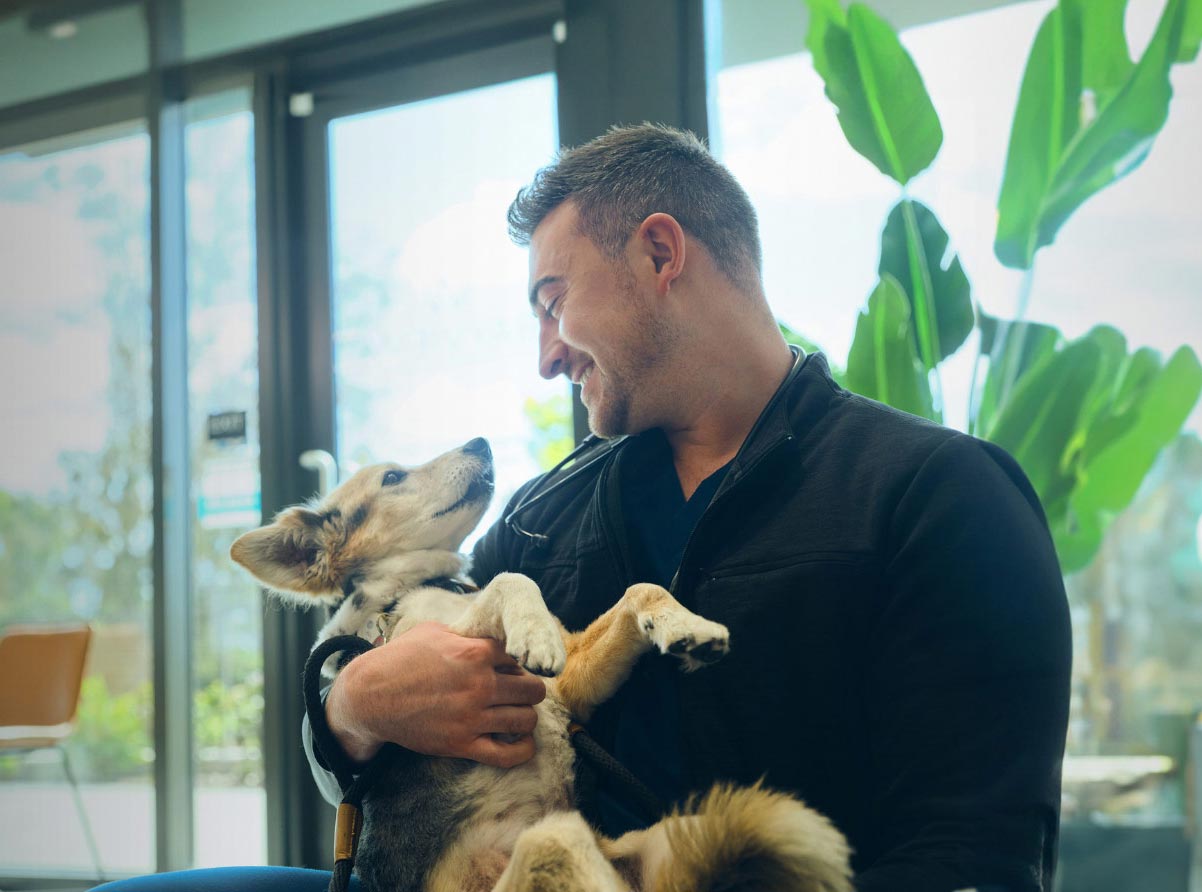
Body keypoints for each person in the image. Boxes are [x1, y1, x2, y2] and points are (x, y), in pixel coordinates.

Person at [99, 124, 1071, 891]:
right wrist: (352, 703)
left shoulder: (941, 498)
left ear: (658, 253)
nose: (544, 354)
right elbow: (360, 755)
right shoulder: (535, 521)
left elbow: (969, 861)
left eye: (551, 300)